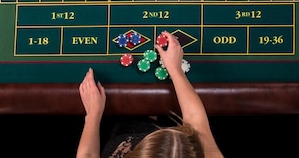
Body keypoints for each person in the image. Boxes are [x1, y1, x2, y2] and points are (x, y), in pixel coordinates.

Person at [76, 31, 224, 158]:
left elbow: (87, 155)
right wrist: (175, 69)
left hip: (120, 137)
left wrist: (93, 115)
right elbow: (195, 121)